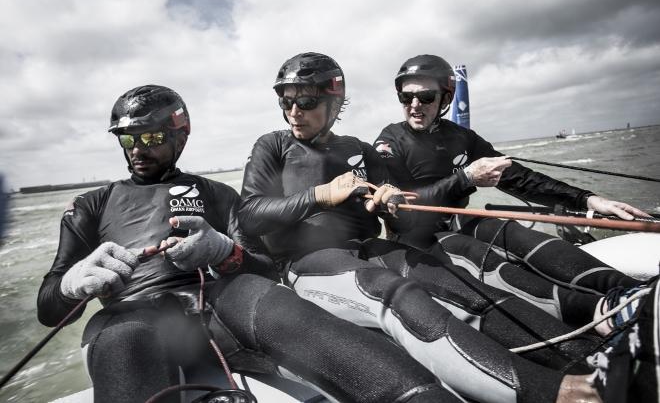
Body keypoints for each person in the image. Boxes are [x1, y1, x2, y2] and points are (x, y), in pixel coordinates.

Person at [237, 52, 630, 403]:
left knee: (456, 283)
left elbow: (405, 219)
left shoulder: (359, 149)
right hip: (307, 260)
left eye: (304, 101)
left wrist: (391, 203)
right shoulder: (272, 145)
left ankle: (582, 355)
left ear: (334, 100)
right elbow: (251, 214)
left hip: (368, 247)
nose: (293, 112)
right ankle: (556, 393)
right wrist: (321, 195)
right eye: (285, 101)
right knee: (398, 293)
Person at [36, 84, 462, 403]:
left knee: (280, 306)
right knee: (125, 340)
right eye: (128, 140)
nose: (136, 151)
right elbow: (48, 308)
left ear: (178, 135)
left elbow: (261, 266)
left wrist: (224, 252)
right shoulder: (91, 204)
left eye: (149, 138)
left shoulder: (218, 195)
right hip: (132, 317)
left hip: (225, 302)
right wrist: (74, 283)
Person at [374, 54, 652, 328]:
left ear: (445, 98)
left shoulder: (461, 137)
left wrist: (589, 199)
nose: (414, 105)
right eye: (405, 97)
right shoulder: (390, 141)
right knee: (471, 250)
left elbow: (520, 179)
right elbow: (404, 210)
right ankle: (604, 311)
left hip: (458, 221)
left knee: (510, 231)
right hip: (415, 240)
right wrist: (467, 176)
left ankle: (639, 294)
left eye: (425, 97)